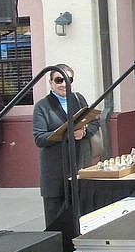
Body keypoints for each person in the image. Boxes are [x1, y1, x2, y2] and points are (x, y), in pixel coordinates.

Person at [32, 64, 99, 229]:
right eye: (59, 80)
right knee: (56, 221)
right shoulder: (42, 106)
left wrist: (84, 132)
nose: (63, 84)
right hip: (56, 172)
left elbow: (94, 123)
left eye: (68, 80)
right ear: (51, 82)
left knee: (82, 217)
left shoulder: (78, 99)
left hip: (80, 165)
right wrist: (65, 134)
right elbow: (39, 138)